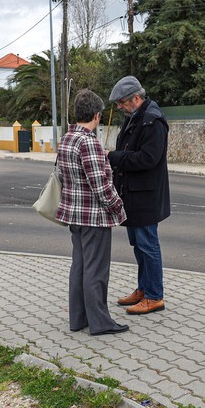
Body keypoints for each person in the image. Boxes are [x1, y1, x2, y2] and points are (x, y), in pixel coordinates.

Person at [55, 89, 129, 336]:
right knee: (96, 270)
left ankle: (78, 319)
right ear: (97, 116)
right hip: (94, 217)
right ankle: (100, 322)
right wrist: (118, 206)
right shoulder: (89, 142)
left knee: (80, 266)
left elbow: (63, 177)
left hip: (73, 214)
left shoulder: (66, 139)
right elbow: (101, 186)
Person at [107, 76, 171, 315]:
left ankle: (155, 296)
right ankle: (144, 289)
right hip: (133, 194)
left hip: (146, 195)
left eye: (121, 102)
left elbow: (147, 159)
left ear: (136, 98)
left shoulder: (152, 121)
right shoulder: (136, 117)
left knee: (148, 245)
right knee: (139, 245)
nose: (119, 107)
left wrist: (113, 157)